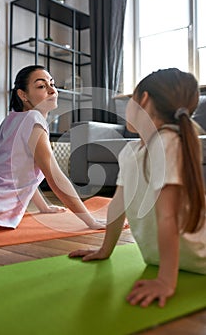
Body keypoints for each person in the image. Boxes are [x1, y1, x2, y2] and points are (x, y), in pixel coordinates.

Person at [69, 68, 206, 307]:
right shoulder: (131, 151)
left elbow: (168, 216)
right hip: (168, 259)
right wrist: (105, 249)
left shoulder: (168, 142)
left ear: (143, 99)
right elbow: (117, 206)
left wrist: (165, 280)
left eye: (131, 97)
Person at [0, 65, 105, 232]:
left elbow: (24, 175)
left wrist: (44, 207)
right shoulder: (33, 119)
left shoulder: (11, 119)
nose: (52, 90)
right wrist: (91, 221)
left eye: (52, 84)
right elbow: (55, 178)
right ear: (23, 95)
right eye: (42, 86)